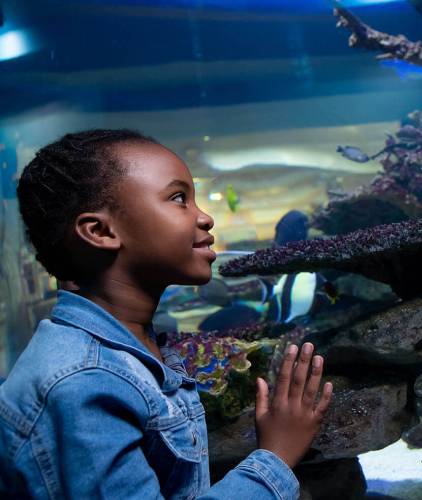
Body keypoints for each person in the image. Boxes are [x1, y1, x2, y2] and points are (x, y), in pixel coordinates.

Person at [0, 129, 333, 499]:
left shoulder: (132, 349)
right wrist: (277, 456)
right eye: (179, 199)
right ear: (100, 231)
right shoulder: (85, 384)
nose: (205, 218)